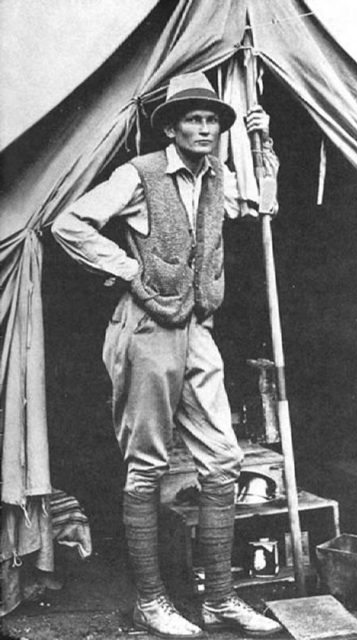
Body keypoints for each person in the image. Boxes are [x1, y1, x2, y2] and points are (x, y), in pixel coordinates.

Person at [52, 71, 282, 638]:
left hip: (196, 327)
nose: (204, 128)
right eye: (193, 119)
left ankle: (220, 600)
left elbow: (262, 207)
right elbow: (68, 223)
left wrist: (265, 146)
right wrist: (131, 272)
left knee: (224, 459)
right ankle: (150, 602)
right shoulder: (139, 174)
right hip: (146, 330)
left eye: (211, 120)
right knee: (148, 465)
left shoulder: (217, 177)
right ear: (172, 127)